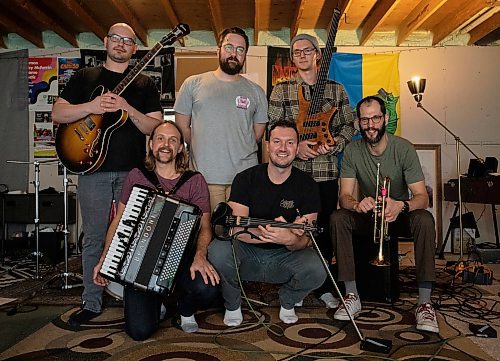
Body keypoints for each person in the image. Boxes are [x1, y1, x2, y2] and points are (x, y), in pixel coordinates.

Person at [52, 23, 163, 327]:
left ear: (135, 49)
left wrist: (127, 107)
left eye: (127, 41)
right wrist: (91, 106)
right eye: (116, 38)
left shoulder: (144, 85)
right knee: (95, 238)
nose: (121, 44)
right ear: (105, 41)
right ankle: (91, 302)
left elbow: (155, 128)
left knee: (132, 238)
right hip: (92, 170)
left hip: (133, 173)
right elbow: (58, 114)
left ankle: (134, 300)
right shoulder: (84, 77)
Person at [93, 121, 220, 340]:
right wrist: (105, 258)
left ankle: (183, 307)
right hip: (140, 263)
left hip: (182, 261)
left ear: (180, 147)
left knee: (209, 288)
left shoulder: (194, 180)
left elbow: (205, 226)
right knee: (139, 332)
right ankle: (158, 302)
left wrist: (200, 256)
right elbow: (119, 220)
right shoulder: (137, 176)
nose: (166, 144)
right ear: (151, 144)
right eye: (160, 138)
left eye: (173, 140)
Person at [330, 95, 439, 333]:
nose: (371, 125)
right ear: (358, 123)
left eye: (376, 118)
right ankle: (351, 294)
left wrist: (402, 205)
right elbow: (344, 196)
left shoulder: (404, 148)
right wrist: (357, 205)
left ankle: (424, 303)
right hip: (370, 215)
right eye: (365, 120)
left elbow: (422, 197)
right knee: (338, 218)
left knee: (425, 219)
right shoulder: (352, 151)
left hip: (398, 214)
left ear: (385, 118)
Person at [208, 120, 327, 326]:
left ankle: (288, 300)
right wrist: (278, 233)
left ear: (297, 148)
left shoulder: (308, 185)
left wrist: (290, 240)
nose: (283, 148)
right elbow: (236, 230)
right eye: (277, 141)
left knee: (318, 269)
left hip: (285, 256)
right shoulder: (245, 179)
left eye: (290, 143)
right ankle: (233, 303)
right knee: (218, 250)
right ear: (268, 145)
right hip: (247, 252)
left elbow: (306, 240)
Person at [268, 34, 355, 309]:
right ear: (292, 58)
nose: (302, 55)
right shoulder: (282, 91)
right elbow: (274, 130)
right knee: (293, 231)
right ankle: (296, 284)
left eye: (307, 50)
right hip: (292, 176)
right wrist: (297, 147)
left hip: (326, 173)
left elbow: (348, 127)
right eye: (296, 52)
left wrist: (331, 145)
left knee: (325, 233)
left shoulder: (336, 90)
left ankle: (325, 286)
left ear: (318, 54)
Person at [174, 27, 268, 209]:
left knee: (240, 234)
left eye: (240, 50)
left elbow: (257, 135)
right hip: (205, 177)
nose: (234, 53)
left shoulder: (256, 92)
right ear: (218, 50)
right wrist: (205, 149)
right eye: (229, 47)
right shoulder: (193, 84)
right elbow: (182, 129)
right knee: (207, 233)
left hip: (244, 178)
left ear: (245, 55)